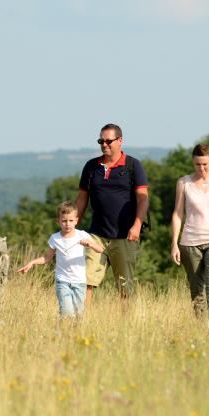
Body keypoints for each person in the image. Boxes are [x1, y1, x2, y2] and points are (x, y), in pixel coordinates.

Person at [75, 123, 149, 303]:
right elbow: (82, 198)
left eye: (109, 141)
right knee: (86, 281)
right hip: (96, 234)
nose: (104, 144)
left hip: (125, 236)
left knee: (125, 286)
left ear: (120, 141)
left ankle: (126, 326)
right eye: (101, 141)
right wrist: (71, 226)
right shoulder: (91, 167)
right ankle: (80, 322)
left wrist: (137, 225)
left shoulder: (133, 165)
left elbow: (143, 199)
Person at [170, 144, 209, 331]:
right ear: (193, 162)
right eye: (198, 164)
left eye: (205, 164)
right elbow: (177, 214)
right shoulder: (184, 183)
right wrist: (174, 243)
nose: (202, 168)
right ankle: (199, 328)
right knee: (197, 290)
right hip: (190, 242)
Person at [17, 201, 103, 318]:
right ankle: (64, 331)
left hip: (79, 282)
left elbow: (100, 249)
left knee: (79, 314)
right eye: (64, 221)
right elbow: (46, 258)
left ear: (76, 220)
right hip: (62, 281)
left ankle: (75, 335)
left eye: (71, 221)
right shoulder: (55, 238)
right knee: (66, 312)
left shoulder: (82, 235)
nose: (67, 224)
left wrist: (91, 245)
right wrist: (32, 263)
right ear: (58, 221)